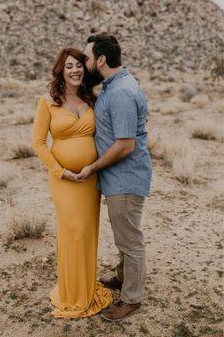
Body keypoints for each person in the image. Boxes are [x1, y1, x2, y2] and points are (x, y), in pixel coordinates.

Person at [31, 47, 112, 319]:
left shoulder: (93, 99)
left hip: (91, 179)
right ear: (60, 71)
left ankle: (86, 288)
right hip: (63, 180)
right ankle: (70, 292)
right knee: (72, 231)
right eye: (69, 66)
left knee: (87, 231)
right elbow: (39, 143)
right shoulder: (48, 102)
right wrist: (61, 171)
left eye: (79, 65)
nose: (75, 70)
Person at [76, 34, 152, 321]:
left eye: (86, 58)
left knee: (130, 240)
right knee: (124, 234)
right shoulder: (112, 87)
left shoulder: (120, 92)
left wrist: (93, 167)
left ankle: (131, 298)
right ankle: (123, 278)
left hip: (125, 178)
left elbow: (124, 145)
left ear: (101, 60)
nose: (84, 63)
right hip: (120, 178)